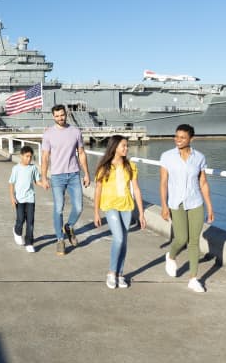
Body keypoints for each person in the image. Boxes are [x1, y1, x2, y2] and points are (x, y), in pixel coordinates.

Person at [160, 123, 215, 293]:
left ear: (191, 138)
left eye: (182, 137)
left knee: (194, 241)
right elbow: (163, 183)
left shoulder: (199, 158)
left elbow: (203, 183)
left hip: (195, 202)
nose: (178, 140)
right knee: (181, 238)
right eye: (176, 136)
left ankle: (193, 278)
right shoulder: (167, 156)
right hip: (176, 202)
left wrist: (210, 207)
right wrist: (163, 205)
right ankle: (171, 255)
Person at [93, 135, 146, 289]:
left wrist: (141, 213)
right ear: (115, 147)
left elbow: (136, 189)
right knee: (119, 238)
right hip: (110, 206)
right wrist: (96, 212)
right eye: (123, 145)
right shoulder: (105, 167)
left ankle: (120, 274)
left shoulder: (130, 166)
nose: (126, 148)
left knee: (124, 241)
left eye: (127, 146)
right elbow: (98, 190)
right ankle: (111, 272)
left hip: (127, 206)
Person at [41, 104, 91, 256]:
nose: (60, 118)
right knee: (58, 208)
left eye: (62, 115)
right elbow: (44, 157)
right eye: (56, 116)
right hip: (57, 176)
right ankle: (60, 240)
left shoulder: (75, 132)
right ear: (53, 116)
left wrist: (87, 173)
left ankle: (68, 227)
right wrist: (43, 177)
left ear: (66, 114)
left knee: (78, 207)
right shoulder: (48, 133)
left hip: (74, 174)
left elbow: (81, 153)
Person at [9, 145, 45, 253]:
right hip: (19, 199)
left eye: (30, 157)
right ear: (21, 156)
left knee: (30, 222)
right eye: (26, 156)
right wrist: (12, 197)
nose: (28, 159)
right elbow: (11, 183)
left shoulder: (33, 168)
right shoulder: (16, 168)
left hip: (30, 199)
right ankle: (17, 231)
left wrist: (43, 184)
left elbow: (36, 181)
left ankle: (29, 243)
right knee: (20, 220)